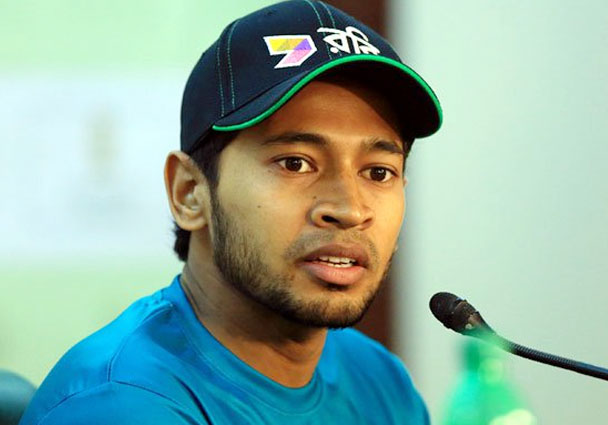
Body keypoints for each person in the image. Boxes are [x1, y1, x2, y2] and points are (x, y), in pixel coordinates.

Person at [19, 1, 442, 424]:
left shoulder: (379, 379)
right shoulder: (121, 406)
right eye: (295, 163)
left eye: (378, 172)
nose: (349, 209)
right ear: (189, 192)